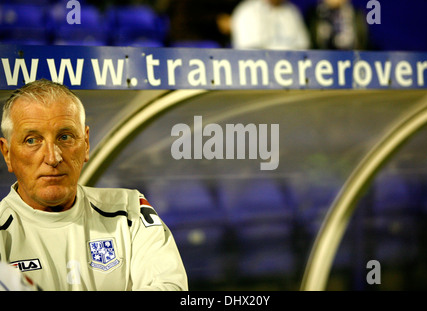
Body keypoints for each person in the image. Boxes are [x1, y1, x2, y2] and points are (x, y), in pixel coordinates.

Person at [0, 79, 188, 291]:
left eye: (65, 137)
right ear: (7, 153)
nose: (53, 158)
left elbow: (171, 287)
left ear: (86, 143)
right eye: (32, 140)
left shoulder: (129, 211)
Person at [230, 0, 311, 50]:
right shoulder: (247, 11)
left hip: (290, 69)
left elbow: (303, 46)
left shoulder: (291, 11)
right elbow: (248, 52)